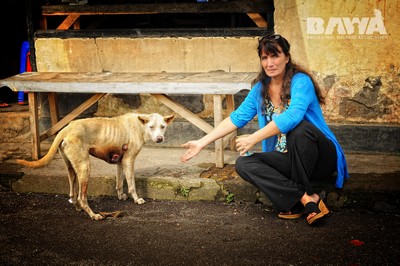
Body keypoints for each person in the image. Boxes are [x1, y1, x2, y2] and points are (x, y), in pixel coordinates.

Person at [180, 34, 349, 225]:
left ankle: (292, 200)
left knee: (299, 129)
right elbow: (236, 118)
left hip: (320, 159)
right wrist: (201, 143)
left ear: (286, 57)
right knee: (244, 164)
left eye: (275, 56)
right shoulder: (261, 89)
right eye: (264, 58)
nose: (270, 63)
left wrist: (254, 138)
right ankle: (306, 198)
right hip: (289, 160)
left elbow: (292, 116)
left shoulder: (301, 81)